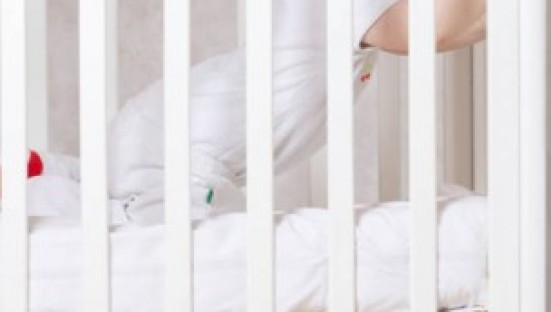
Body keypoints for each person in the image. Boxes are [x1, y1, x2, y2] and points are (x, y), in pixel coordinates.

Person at [5, 0, 485, 223]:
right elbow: (436, 28)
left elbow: (460, 20)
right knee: (190, 245)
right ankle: (37, 196)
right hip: (174, 147)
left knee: (151, 205)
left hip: (158, 133)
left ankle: (49, 173)